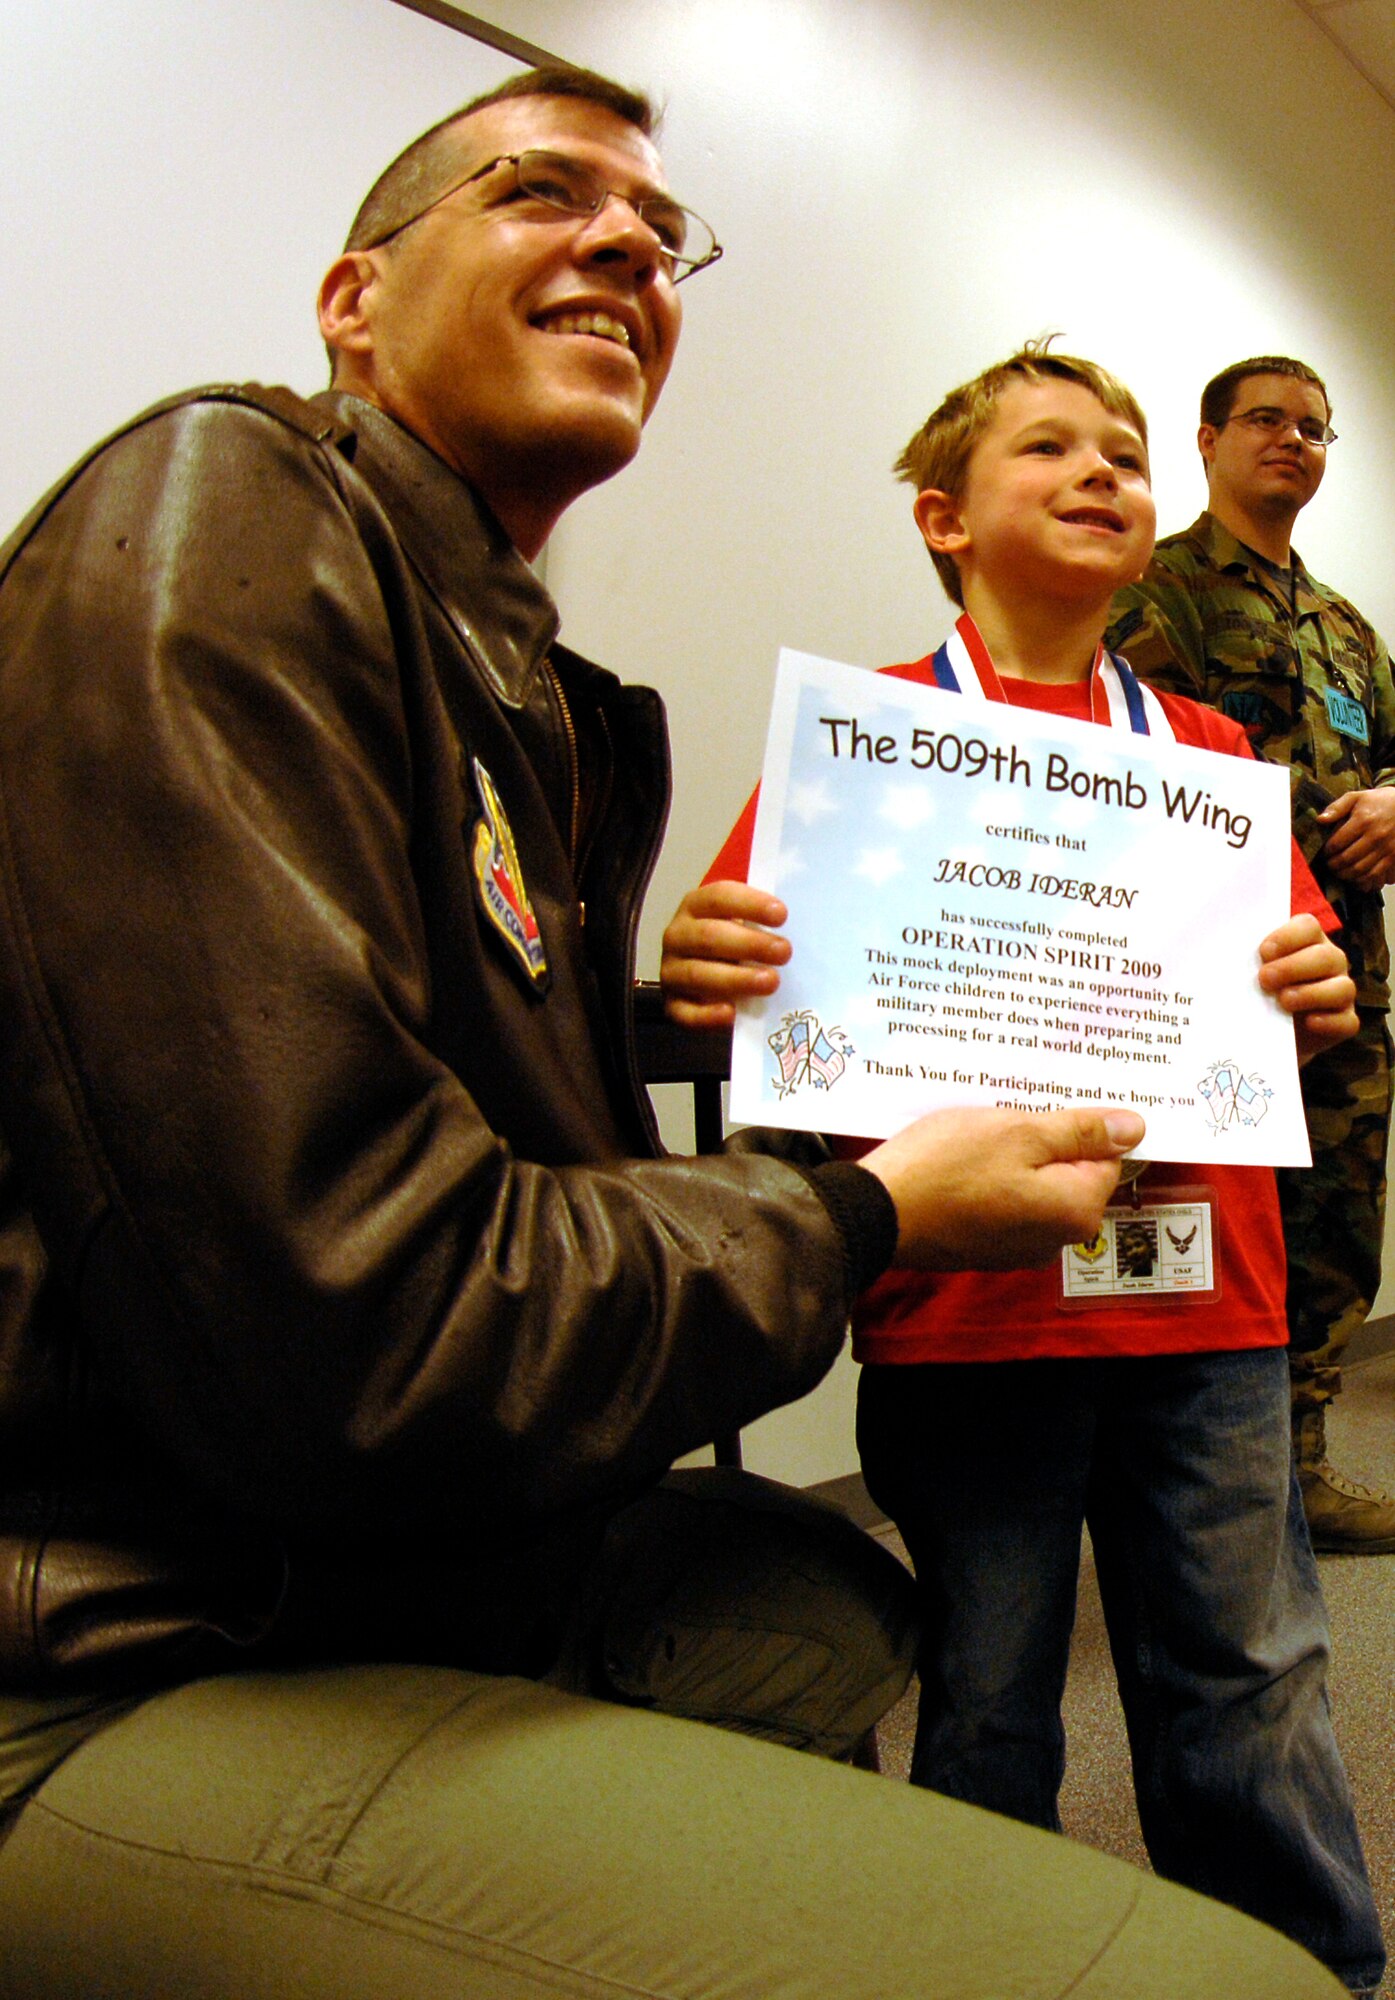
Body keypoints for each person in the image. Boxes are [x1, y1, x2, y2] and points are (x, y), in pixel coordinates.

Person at [0, 63, 1344, 2000]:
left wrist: (677, 1020)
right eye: (538, 194)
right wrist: (816, 1120)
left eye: (654, 224)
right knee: (993, 1699)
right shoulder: (236, 517)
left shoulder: (536, 695)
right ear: (353, 299)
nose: (627, 235)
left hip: (1161, 1301)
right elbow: (374, 1284)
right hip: (171, 1623)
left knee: (1052, 1646)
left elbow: (464, 1111)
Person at [662, 346, 1384, 1995]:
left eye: (1124, 453)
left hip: (1209, 1307)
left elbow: (1297, 991)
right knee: (985, 1695)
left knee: (1251, 1681)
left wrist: (1317, 991)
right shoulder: (867, 749)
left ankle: (1303, 1980)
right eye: (1048, 446)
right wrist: (716, 962)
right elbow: (749, 976)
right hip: (968, 1310)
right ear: (945, 516)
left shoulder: (1203, 756)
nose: (1102, 469)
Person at [1107, 357, 1395, 1553]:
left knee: (1333, 1218)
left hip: (1341, 981)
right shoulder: (1148, 585)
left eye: (1315, 428)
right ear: (1210, 439)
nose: (1294, 440)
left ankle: (1301, 1466)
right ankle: (1182, 1486)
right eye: (1269, 419)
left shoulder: (1343, 626)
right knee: (1198, 1220)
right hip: (1195, 970)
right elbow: (1140, 759)